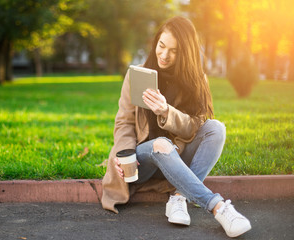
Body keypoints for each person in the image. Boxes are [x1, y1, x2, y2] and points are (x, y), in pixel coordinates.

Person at [101, 16, 252, 238]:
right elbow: (124, 121)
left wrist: (166, 112)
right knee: (161, 144)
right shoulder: (137, 74)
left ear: (186, 53)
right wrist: (125, 155)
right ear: (156, 43)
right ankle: (219, 208)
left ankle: (178, 197)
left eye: (174, 51)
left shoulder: (195, 80)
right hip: (141, 162)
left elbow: (194, 128)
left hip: (177, 158)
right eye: (161, 46)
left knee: (216, 128)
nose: (164, 55)